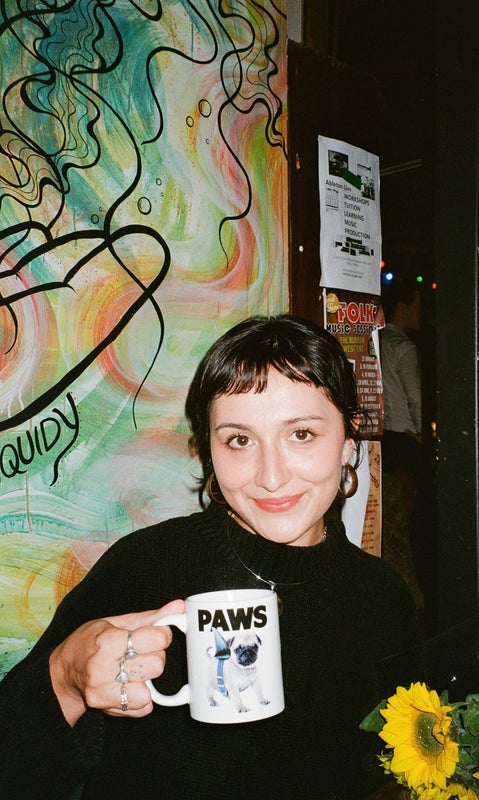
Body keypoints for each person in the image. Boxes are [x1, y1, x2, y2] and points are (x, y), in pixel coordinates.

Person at [0, 315, 421, 800]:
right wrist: (65, 678)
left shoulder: (381, 598)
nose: (271, 476)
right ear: (210, 451)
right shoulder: (144, 565)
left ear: (349, 442)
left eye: (302, 434)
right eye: (240, 440)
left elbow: (396, 776)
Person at [379, 279, 423, 522]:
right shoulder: (404, 348)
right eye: (417, 306)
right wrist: (421, 436)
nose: (420, 314)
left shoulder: (376, 341)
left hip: (383, 437)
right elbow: (416, 397)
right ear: (402, 308)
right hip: (406, 437)